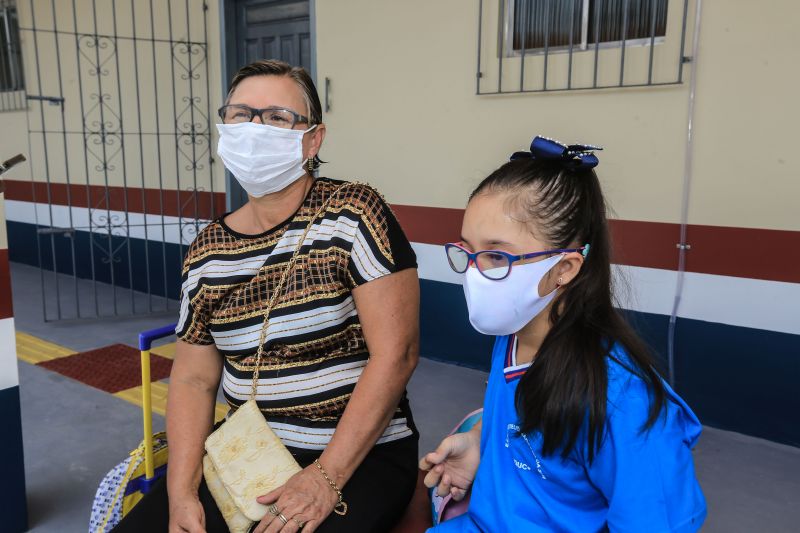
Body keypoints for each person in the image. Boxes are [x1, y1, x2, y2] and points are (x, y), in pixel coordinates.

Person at [113, 60, 420, 533]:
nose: (254, 130)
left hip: (359, 454)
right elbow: (194, 379)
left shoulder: (353, 213)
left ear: (313, 140)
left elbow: (397, 354)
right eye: (240, 115)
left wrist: (324, 477)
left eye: (277, 117)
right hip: (248, 451)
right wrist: (181, 494)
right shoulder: (207, 251)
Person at [420, 136, 707, 532]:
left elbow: (659, 519)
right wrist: (481, 442)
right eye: (468, 251)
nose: (474, 273)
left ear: (564, 269)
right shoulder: (514, 335)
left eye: (496, 256)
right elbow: (520, 418)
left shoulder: (622, 400)